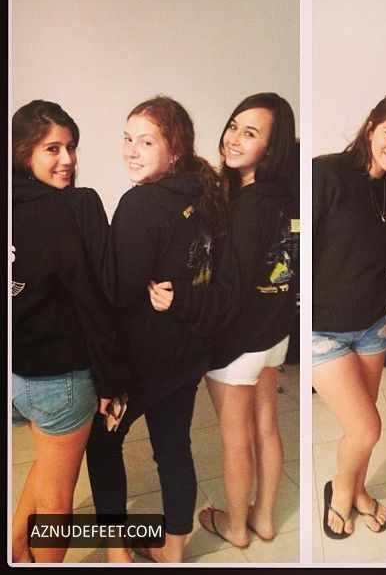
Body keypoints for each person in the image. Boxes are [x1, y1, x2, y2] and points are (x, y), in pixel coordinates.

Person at [148, 92, 298, 548]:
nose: (233, 138)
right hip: (274, 337)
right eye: (234, 125)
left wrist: (179, 301)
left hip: (239, 344)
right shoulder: (283, 194)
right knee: (266, 428)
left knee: (236, 439)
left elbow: (228, 291)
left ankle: (235, 528)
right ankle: (264, 519)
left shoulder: (250, 204)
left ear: (270, 147)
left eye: (250, 133)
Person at [85, 96, 227, 563]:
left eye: (146, 142)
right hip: (185, 356)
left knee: (102, 444)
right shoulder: (202, 194)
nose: (132, 150)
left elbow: (117, 291)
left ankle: (117, 553)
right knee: (172, 447)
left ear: (175, 150)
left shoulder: (141, 203)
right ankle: (173, 548)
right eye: (128, 139)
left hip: (142, 363)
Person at [11, 100, 128, 563]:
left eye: (71, 147)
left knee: (47, 461)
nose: (67, 159)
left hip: (16, 376)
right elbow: (94, 301)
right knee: (58, 503)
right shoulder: (68, 208)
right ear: (24, 152)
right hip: (59, 378)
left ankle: (17, 548)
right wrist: (112, 381)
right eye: (52, 148)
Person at [312, 92, 386, 539]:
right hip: (322, 331)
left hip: (374, 327)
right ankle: (341, 493)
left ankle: (359, 491)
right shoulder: (326, 174)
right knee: (366, 428)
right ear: (370, 128)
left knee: (364, 423)